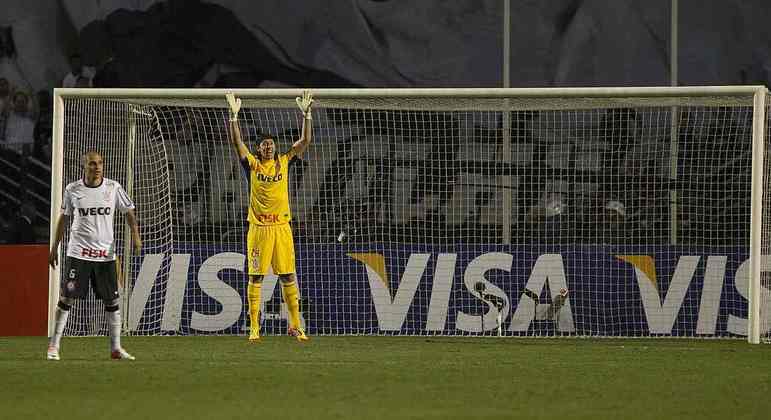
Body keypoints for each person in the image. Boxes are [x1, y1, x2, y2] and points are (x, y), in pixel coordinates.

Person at [226, 90, 313, 342]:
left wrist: (307, 115)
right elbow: (237, 144)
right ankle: (254, 327)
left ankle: (296, 325)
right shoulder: (251, 165)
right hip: (259, 228)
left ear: (275, 148)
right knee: (256, 277)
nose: (268, 146)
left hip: (282, 228)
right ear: (259, 148)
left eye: (271, 144)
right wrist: (234, 117)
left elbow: (305, 141)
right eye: (264, 144)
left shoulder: (285, 161)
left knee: (288, 275)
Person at [46, 151, 142, 360]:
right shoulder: (73, 189)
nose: (97, 167)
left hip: (105, 256)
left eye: (100, 163)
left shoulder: (113, 187)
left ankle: (116, 348)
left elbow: (129, 212)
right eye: (92, 164)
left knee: (111, 301)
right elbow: (63, 218)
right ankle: (53, 347)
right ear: (84, 166)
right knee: (67, 298)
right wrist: (54, 247)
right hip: (79, 253)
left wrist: (136, 236)